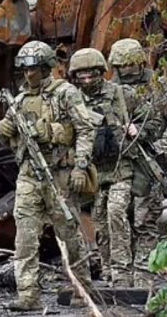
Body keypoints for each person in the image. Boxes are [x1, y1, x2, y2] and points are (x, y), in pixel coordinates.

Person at [0, 41, 94, 311]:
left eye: (34, 69)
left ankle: (82, 288)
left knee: (68, 233)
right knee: (25, 236)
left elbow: (85, 129)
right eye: (25, 70)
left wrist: (80, 166)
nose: (29, 75)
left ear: (46, 68)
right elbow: (10, 139)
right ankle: (28, 294)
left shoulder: (66, 94)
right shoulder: (19, 100)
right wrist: (4, 130)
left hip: (59, 172)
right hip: (28, 174)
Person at [68, 47, 161, 288]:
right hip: (95, 172)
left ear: (102, 72)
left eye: (92, 75)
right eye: (82, 77)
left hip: (122, 167)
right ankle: (108, 270)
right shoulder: (72, 100)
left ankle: (122, 272)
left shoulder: (122, 94)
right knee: (99, 221)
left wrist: (137, 130)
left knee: (116, 213)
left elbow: (153, 119)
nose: (87, 81)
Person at [109, 38, 167, 286]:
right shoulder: (110, 89)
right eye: (122, 66)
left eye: (132, 65)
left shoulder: (156, 85)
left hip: (152, 157)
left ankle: (145, 275)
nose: (127, 70)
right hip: (120, 162)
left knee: (145, 219)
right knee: (117, 216)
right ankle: (119, 275)